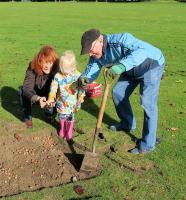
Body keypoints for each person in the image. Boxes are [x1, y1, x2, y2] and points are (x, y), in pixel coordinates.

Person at [78, 29, 165, 154]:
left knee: (148, 103)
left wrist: (121, 66)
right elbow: (91, 69)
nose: (90, 54)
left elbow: (141, 52)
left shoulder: (122, 40)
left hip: (151, 65)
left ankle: (148, 144)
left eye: (91, 50)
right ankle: (127, 124)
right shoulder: (96, 55)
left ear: (100, 40)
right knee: (118, 93)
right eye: (88, 52)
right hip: (130, 69)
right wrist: (84, 79)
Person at [46, 50, 85, 141]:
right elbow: (53, 87)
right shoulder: (58, 76)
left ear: (73, 66)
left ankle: (69, 130)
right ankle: (62, 128)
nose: (64, 71)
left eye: (66, 69)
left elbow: (81, 88)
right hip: (61, 102)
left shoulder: (78, 76)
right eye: (62, 68)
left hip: (72, 102)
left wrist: (80, 97)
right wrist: (51, 97)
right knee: (62, 116)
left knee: (70, 116)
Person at [21, 45, 59, 128]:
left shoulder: (57, 69)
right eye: (44, 62)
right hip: (36, 91)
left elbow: (61, 87)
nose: (47, 66)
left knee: (52, 108)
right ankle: (27, 115)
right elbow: (27, 87)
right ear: (39, 61)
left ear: (54, 62)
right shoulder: (33, 66)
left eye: (50, 62)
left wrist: (54, 99)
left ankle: (49, 113)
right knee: (23, 92)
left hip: (50, 93)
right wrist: (37, 98)